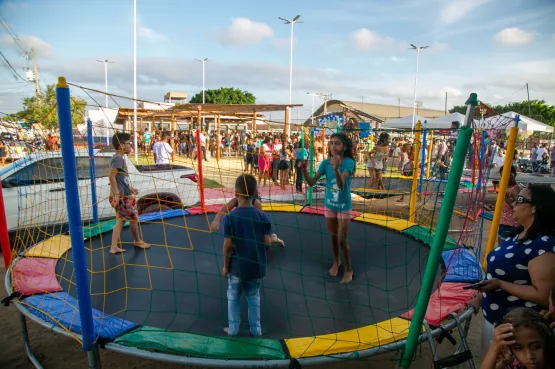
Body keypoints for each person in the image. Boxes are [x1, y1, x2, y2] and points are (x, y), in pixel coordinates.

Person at [467, 184, 555, 355]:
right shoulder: (518, 234)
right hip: (497, 322)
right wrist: (480, 297)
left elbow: (544, 296)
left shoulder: (544, 246)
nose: (513, 204)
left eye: (519, 199)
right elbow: (499, 272)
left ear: (535, 208)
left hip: (520, 331)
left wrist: (500, 284)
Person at [221, 174, 273, 337]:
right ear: (256, 193)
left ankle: (234, 329)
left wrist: (225, 266)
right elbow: (267, 243)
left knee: (233, 295)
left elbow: (228, 247)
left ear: (236, 194)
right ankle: (256, 330)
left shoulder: (230, 218)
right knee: (253, 296)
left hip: (236, 268)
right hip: (256, 268)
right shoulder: (263, 217)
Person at [301, 132, 356, 284]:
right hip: (330, 205)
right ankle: (337, 261)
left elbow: (341, 184)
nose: (333, 146)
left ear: (344, 146)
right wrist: (304, 171)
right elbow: (312, 182)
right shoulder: (325, 163)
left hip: (344, 205)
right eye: (331, 143)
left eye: (337, 143)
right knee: (333, 236)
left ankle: (349, 269)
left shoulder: (349, 162)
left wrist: (336, 169)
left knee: (342, 239)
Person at [108, 132, 150, 254]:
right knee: (132, 219)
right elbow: (111, 176)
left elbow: (119, 178)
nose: (130, 145)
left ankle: (114, 246)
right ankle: (136, 241)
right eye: (128, 143)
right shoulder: (118, 158)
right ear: (121, 145)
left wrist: (129, 187)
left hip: (124, 194)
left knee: (121, 220)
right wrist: (116, 193)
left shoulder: (118, 158)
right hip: (123, 197)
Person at [481, 307, 555, 369]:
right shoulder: (514, 362)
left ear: (546, 341)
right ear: (510, 349)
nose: (529, 356)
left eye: (536, 347)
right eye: (518, 348)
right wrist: (494, 348)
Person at [497, 165, 521, 244]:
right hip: (503, 222)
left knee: (505, 245)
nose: (507, 178)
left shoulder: (515, 189)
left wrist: (504, 197)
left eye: (509, 175)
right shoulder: (505, 187)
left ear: (514, 175)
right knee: (501, 245)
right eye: (503, 176)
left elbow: (517, 206)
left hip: (511, 224)